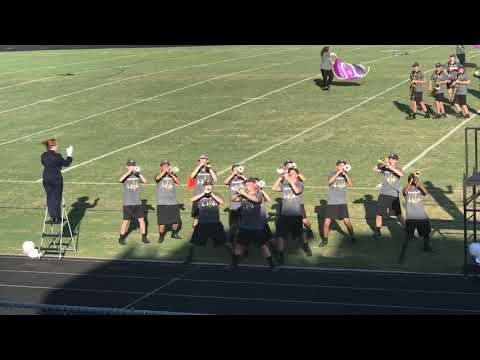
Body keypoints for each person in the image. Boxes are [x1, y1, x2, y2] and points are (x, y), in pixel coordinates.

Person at [229, 178, 276, 270]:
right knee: (239, 245)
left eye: (248, 185)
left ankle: (271, 264)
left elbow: (256, 200)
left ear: (255, 185)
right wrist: (238, 192)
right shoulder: (243, 195)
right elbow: (233, 199)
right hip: (244, 226)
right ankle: (234, 264)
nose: (247, 186)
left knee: (263, 246)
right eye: (246, 185)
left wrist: (244, 193)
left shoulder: (258, 194)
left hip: (256, 226)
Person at [183, 179, 232, 264]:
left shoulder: (216, 194)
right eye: (206, 185)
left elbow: (222, 202)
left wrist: (211, 194)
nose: (208, 187)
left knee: (225, 242)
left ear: (212, 187)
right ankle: (189, 258)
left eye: (209, 185)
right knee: (192, 243)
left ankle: (234, 257)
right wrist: (203, 193)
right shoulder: (200, 196)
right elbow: (192, 199)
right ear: (203, 187)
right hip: (202, 224)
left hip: (215, 223)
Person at [272, 168, 312, 265]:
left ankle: (306, 246)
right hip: (284, 215)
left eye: (293, 173)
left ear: (297, 175)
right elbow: (274, 188)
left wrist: (289, 180)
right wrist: (280, 177)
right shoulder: (285, 185)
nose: (291, 175)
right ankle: (281, 256)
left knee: (300, 234)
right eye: (290, 174)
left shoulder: (300, 184)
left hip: (295, 215)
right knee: (280, 236)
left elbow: (297, 191)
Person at [399, 172, 432, 263]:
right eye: (412, 179)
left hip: (421, 216)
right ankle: (402, 252)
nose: (414, 181)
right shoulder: (406, 189)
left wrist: (418, 183)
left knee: (426, 234)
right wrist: (411, 182)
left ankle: (426, 247)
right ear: (409, 180)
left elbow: (426, 192)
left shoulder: (419, 189)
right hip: (411, 217)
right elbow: (404, 192)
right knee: (407, 236)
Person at [321, 160, 355, 247]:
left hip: (342, 203)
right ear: (337, 166)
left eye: (344, 165)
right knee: (326, 223)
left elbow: (350, 184)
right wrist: (338, 173)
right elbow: (330, 182)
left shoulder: (346, 175)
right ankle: (325, 240)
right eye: (340, 165)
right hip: (332, 202)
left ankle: (352, 237)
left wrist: (345, 174)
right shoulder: (332, 173)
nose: (342, 167)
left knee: (347, 222)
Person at [40, 139, 73, 224]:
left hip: (46, 177)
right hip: (56, 178)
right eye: (56, 145)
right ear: (53, 146)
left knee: (50, 196)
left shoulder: (43, 155)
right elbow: (66, 163)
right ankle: (57, 217)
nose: (58, 146)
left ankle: (52, 217)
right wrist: (69, 154)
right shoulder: (57, 156)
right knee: (57, 197)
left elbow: (45, 163)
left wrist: (56, 165)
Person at [373, 153, 406, 238]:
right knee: (379, 213)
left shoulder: (398, 168)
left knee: (398, 214)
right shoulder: (385, 167)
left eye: (393, 159)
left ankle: (406, 229)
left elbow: (401, 174)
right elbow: (374, 169)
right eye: (390, 158)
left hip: (393, 194)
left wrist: (389, 166)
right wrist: (382, 163)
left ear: (397, 161)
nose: (391, 160)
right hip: (383, 193)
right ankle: (377, 231)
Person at [118, 160, 148, 245]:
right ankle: (121, 238)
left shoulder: (137, 175)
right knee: (126, 221)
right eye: (130, 165)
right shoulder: (126, 176)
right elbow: (120, 180)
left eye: (133, 165)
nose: (132, 167)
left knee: (141, 220)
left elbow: (145, 181)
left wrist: (139, 173)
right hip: (128, 203)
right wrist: (128, 172)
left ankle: (144, 237)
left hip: (137, 203)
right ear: (127, 167)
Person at [155, 160, 181, 243]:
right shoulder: (158, 175)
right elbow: (157, 178)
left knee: (176, 222)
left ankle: (174, 233)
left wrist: (171, 174)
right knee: (162, 223)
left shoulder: (172, 175)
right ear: (161, 167)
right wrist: (165, 171)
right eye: (164, 166)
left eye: (167, 166)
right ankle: (161, 236)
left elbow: (178, 182)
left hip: (173, 203)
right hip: (162, 203)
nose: (166, 167)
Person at [189, 154, 217, 228]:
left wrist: (210, 169)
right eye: (201, 160)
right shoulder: (197, 170)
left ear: (207, 161)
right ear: (199, 161)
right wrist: (199, 166)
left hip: (208, 198)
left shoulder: (211, 170)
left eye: (205, 160)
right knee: (196, 217)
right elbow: (191, 176)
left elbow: (216, 179)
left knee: (207, 216)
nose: (203, 161)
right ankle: (196, 232)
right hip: (197, 196)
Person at [223, 164, 248, 245]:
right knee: (233, 225)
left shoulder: (243, 178)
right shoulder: (231, 179)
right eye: (235, 169)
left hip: (243, 205)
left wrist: (241, 175)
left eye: (239, 169)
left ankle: (243, 243)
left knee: (243, 225)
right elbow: (225, 182)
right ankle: (231, 240)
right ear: (232, 170)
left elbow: (249, 182)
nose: (237, 171)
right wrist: (233, 174)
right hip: (233, 206)